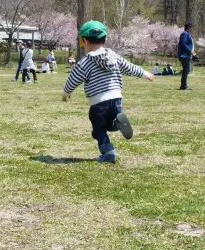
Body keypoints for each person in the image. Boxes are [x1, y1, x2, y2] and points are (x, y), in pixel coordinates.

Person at [62, 21, 154, 163]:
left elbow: (73, 79)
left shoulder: (85, 62)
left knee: (99, 128)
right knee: (110, 121)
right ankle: (117, 122)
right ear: (105, 39)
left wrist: (66, 93)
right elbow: (129, 67)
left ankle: (108, 152)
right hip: (116, 98)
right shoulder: (113, 56)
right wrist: (144, 73)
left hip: (98, 102)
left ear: (85, 41)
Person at [178, 22, 194, 90]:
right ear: (189, 27)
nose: (193, 29)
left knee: (187, 70)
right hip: (184, 55)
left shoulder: (188, 34)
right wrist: (190, 51)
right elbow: (183, 44)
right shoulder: (185, 34)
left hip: (187, 54)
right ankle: (183, 86)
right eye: (192, 27)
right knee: (186, 70)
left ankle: (184, 85)